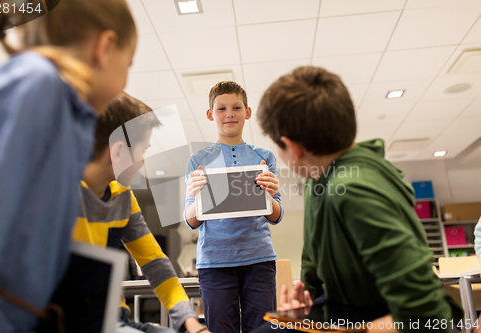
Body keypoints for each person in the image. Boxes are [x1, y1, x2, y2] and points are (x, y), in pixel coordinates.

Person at [254, 66, 463, 333]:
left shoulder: (353, 191)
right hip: (348, 307)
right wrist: (306, 300)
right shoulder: (317, 179)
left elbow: (425, 314)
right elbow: (314, 255)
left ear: (293, 148)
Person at [0, 0, 137, 332]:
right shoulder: (38, 85)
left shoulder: (72, 117)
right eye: (129, 63)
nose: (125, 80)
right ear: (105, 47)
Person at [72, 92, 209, 333]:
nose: (142, 163)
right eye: (141, 151)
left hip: (118, 317)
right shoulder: (62, 196)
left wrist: (193, 326)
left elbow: (156, 265)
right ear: (116, 152)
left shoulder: (123, 197)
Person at [184, 81, 284, 333]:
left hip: (258, 259)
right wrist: (194, 194)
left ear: (247, 112)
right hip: (214, 262)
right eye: (221, 109)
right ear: (210, 115)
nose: (229, 113)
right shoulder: (198, 160)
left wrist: (269, 194)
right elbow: (190, 220)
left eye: (236, 107)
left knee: (261, 330)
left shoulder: (264, 157)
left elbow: (276, 215)